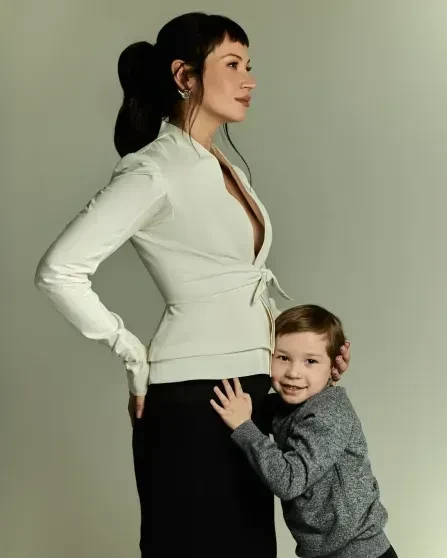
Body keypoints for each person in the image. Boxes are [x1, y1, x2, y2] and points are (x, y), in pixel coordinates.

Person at [34, 12, 351, 558]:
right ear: (185, 76)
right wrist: (132, 353)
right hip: (191, 400)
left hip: (247, 394)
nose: (249, 79)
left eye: (249, 65)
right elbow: (58, 270)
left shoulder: (225, 166)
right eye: (232, 65)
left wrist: (303, 358)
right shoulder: (153, 170)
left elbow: (227, 288)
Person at [211, 304, 397, 558]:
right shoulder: (284, 406)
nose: (294, 373)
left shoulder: (328, 413)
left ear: (334, 366)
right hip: (324, 552)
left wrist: (244, 426)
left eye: (311, 361)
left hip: (359, 552)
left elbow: (289, 481)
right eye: (283, 358)